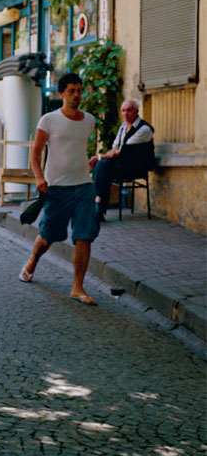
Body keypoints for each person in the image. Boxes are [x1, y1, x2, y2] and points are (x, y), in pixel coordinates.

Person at [20, 72, 99, 305]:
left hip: (84, 186)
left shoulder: (89, 120)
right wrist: (38, 177)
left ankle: (77, 287)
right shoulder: (49, 120)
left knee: (84, 236)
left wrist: (91, 160)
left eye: (79, 90)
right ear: (61, 93)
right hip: (57, 188)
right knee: (48, 235)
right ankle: (33, 261)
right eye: (72, 91)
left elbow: (80, 147)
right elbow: (35, 152)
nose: (77, 95)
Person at [89, 99, 154, 221]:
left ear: (136, 111)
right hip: (122, 163)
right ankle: (98, 206)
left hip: (137, 166)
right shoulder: (123, 126)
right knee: (102, 166)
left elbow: (122, 150)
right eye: (123, 111)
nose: (125, 114)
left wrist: (99, 157)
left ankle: (98, 207)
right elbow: (115, 147)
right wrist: (107, 156)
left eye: (129, 110)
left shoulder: (145, 129)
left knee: (102, 165)